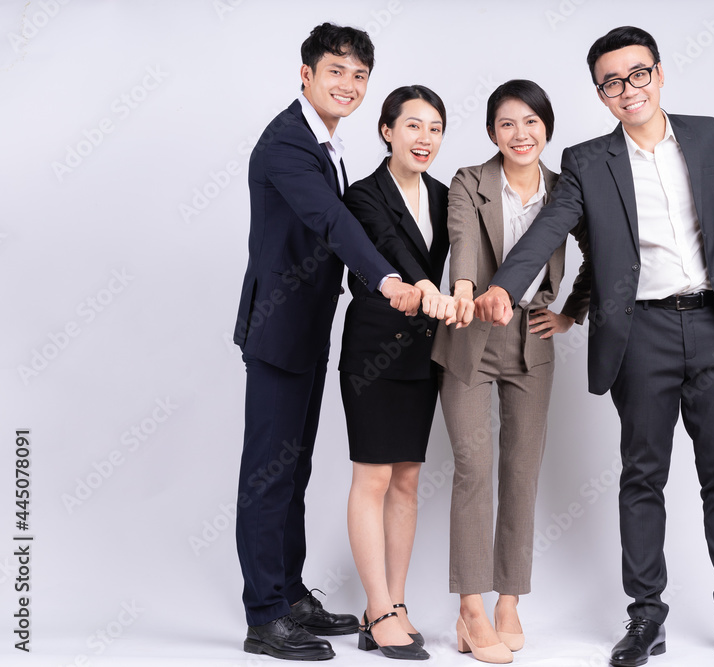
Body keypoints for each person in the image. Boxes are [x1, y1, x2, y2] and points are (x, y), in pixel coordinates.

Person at [476, 27, 714, 667]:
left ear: (659, 74)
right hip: (640, 335)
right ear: (600, 93)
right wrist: (504, 288)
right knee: (642, 477)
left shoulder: (708, 136)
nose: (628, 90)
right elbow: (546, 232)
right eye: (612, 82)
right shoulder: (591, 162)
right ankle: (646, 616)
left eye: (637, 74)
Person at [232, 23, 430, 662]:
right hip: (278, 330)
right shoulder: (288, 144)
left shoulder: (328, 142)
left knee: (294, 469)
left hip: (309, 329)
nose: (348, 85)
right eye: (335, 71)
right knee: (268, 473)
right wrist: (388, 279)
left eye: (359, 76)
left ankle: (290, 595)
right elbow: (330, 219)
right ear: (306, 74)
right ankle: (265, 618)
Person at [431, 79, 591, 664]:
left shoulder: (566, 189)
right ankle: (471, 607)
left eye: (530, 122)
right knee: (474, 469)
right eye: (506, 124)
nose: (519, 134)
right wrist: (469, 291)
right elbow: (462, 243)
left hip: (532, 339)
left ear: (546, 126)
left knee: (521, 471)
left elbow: (603, 249)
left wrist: (572, 311)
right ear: (492, 132)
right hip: (472, 332)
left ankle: (508, 599)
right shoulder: (470, 182)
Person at [338, 85, 456, 661]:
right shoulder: (362, 195)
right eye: (413, 126)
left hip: (422, 354)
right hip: (372, 353)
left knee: (407, 478)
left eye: (435, 128)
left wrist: (456, 290)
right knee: (374, 479)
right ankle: (378, 606)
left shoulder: (443, 194)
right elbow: (386, 248)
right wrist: (425, 285)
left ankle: (393, 605)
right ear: (387, 131)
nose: (425, 139)